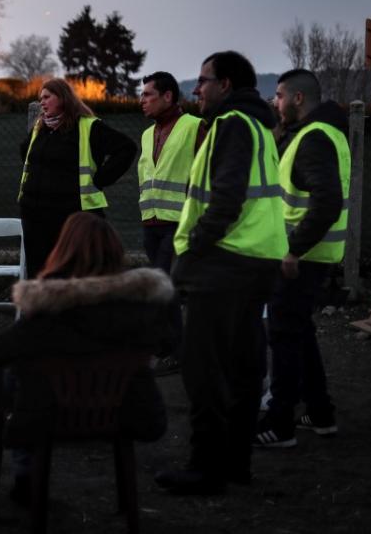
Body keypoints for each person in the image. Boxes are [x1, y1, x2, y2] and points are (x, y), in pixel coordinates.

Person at [0, 212, 169, 504]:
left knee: (23, 372)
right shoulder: (140, 306)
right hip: (125, 412)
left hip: (54, 416)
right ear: (116, 251)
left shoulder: (47, 311)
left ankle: (11, 461)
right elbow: (166, 341)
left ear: (63, 251)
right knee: (29, 371)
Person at [155, 51, 287, 495]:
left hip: (225, 263)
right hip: (258, 261)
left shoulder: (232, 125)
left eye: (203, 81)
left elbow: (226, 199)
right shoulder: (260, 126)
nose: (197, 89)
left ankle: (205, 467)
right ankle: (235, 463)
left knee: (203, 368)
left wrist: (193, 249)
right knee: (245, 365)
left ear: (225, 84)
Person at [253, 69, 348, 448]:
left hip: (301, 255)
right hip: (314, 253)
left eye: (278, 96)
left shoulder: (313, 139)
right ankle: (320, 413)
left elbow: (326, 202)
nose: (274, 103)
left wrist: (294, 250)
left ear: (297, 99)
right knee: (300, 330)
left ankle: (280, 424)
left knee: (284, 334)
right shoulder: (325, 134)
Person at [18, 77, 136, 277]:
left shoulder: (88, 127)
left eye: (47, 97)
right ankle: (39, 308)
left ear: (63, 98)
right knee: (39, 274)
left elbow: (126, 148)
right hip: (35, 216)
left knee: (69, 273)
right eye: (40, 99)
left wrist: (100, 179)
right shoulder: (40, 129)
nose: (42, 102)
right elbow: (26, 154)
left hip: (70, 216)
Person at [137, 72, 205, 375]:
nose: (142, 101)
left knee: (164, 286)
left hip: (179, 222)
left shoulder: (195, 127)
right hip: (151, 223)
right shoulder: (146, 133)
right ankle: (172, 348)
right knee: (167, 289)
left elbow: (205, 175)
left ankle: (173, 351)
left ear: (168, 96)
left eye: (148, 95)